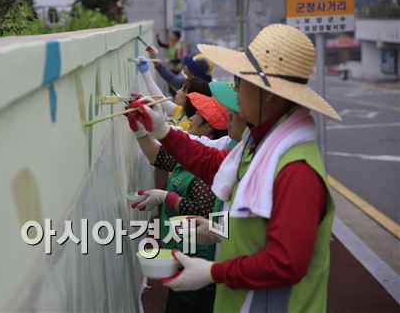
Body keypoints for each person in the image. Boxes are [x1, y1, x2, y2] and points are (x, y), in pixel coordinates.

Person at [129, 24, 341, 313]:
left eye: (240, 82)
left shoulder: (296, 169)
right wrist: (162, 131)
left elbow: (286, 263)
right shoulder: (260, 144)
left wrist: (212, 273)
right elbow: (215, 165)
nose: (235, 90)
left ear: (266, 93)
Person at [126, 92, 229, 313]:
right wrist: (140, 131)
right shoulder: (198, 149)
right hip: (183, 253)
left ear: (210, 128)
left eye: (198, 115)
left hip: (197, 260)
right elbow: (159, 157)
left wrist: (165, 198)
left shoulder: (212, 159)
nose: (191, 117)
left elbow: (202, 210)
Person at [136, 55, 212, 131]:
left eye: (183, 90)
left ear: (190, 97)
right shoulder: (181, 112)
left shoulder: (188, 126)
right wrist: (146, 73)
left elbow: (163, 132)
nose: (178, 91)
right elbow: (161, 99)